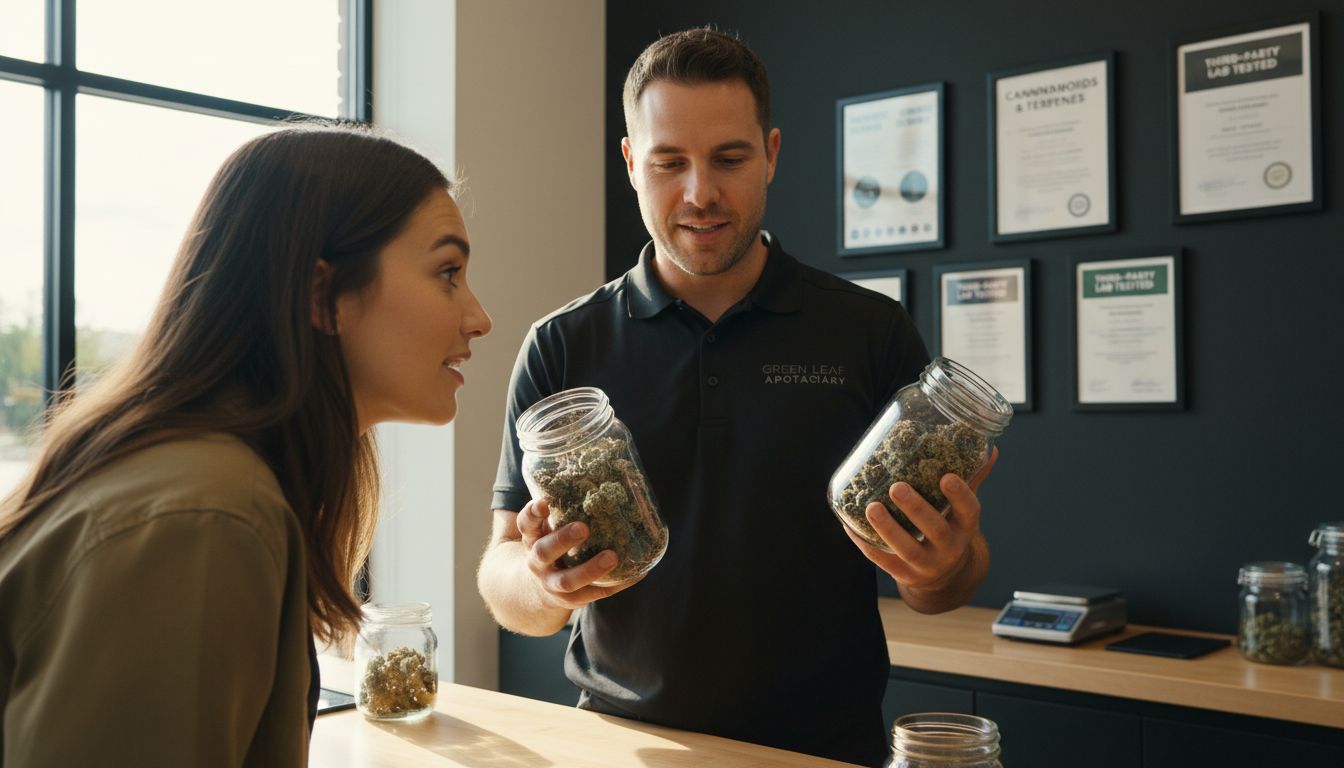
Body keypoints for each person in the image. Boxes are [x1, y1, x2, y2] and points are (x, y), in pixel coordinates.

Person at [477, 27, 994, 768]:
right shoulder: (562, 346)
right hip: (623, 748)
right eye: (668, 162)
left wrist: (946, 568)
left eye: (729, 158)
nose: (700, 193)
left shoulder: (869, 331)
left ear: (772, 154)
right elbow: (501, 580)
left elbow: (953, 578)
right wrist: (540, 582)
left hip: (823, 751)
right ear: (631, 164)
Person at [0, 123, 492, 765]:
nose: (478, 317)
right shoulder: (206, 518)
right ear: (323, 295)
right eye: (447, 272)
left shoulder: (220, 489)